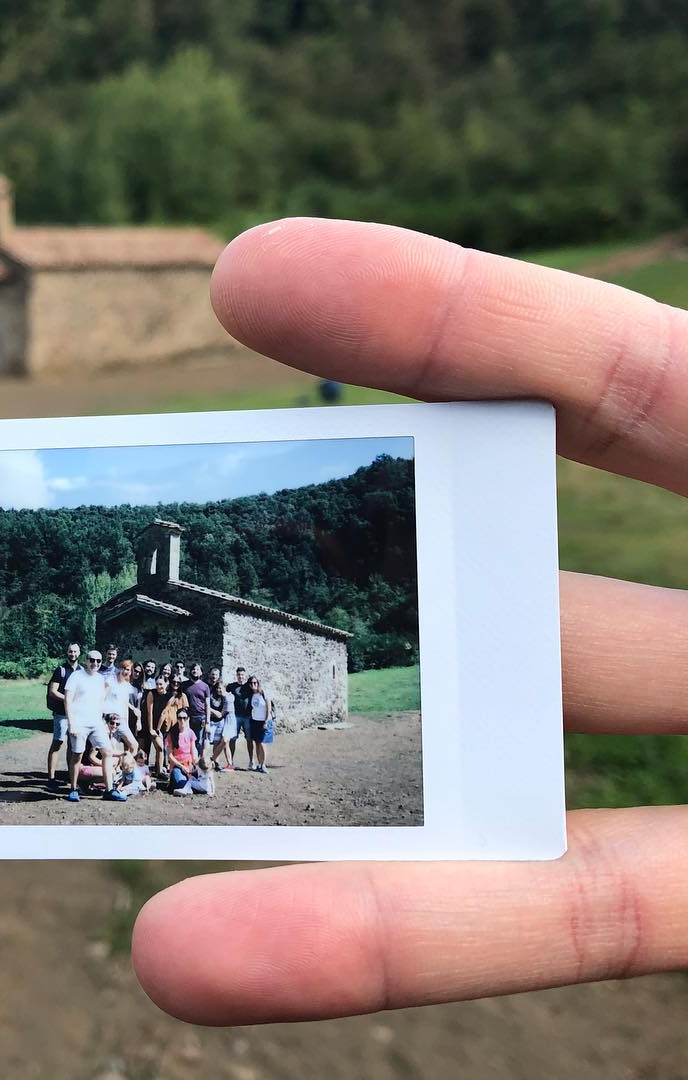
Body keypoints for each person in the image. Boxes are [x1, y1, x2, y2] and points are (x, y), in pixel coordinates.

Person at [130, 217, 688, 1026]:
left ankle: (231, 766)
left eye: (162, 549)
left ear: (166, 552)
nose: (158, 557)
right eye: (157, 548)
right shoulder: (132, 618)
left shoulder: (243, 633)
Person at [64, 650, 125, 802]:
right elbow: (67, 700)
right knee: (77, 755)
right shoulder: (76, 676)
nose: (95, 664)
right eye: (92, 660)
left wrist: (103, 722)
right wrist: (72, 724)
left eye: (98, 661)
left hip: (96, 723)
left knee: (107, 752)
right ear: (86, 660)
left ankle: (109, 790)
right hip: (79, 723)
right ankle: (73, 788)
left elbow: (100, 701)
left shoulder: (99, 679)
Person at [45, 643, 80, 787]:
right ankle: (51, 778)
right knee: (57, 743)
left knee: (73, 746)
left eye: (75, 651)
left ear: (79, 653)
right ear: (67, 652)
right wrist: (68, 699)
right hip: (61, 714)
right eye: (70, 651)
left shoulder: (82, 670)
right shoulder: (61, 670)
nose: (72, 654)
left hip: (76, 715)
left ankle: (69, 775)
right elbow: (52, 691)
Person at [103, 659, 139, 752]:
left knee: (134, 745)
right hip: (109, 719)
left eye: (128, 670)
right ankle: (111, 766)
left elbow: (125, 705)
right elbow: (102, 698)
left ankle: (125, 765)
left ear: (131, 672)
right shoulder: (110, 680)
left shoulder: (127, 686)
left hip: (121, 720)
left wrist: (126, 724)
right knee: (111, 747)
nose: (125, 671)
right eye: (123, 668)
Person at [207, 667, 235, 770]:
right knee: (218, 742)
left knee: (223, 742)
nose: (219, 690)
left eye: (221, 688)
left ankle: (216, 760)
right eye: (213, 674)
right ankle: (216, 762)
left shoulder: (227, 697)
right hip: (217, 720)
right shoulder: (209, 688)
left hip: (226, 721)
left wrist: (209, 709)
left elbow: (220, 714)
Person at [227, 666, 254, 769]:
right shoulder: (231, 687)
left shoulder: (249, 686)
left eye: (242, 675)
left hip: (248, 716)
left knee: (249, 739)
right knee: (233, 739)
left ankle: (251, 761)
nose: (240, 677)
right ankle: (231, 761)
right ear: (236, 675)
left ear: (245, 675)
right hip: (236, 716)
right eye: (239, 675)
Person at [183, 662, 211, 751]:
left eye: (197, 669)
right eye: (193, 669)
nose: (195, 671)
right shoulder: (184, 685)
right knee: (186, 739)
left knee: (198, 741)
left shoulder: (205, 686)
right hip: (187, 717)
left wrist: (207, 722)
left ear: (201, 672)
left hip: (200, 717)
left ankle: (197, 762)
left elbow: (207, 705)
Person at [247, 676, 272, 772]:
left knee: (262, 743)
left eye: (255, 683)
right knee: (257, 743)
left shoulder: (264, 693)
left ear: (258, 683)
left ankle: (263, 764)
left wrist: (266, 721)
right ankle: (259, 764)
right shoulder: (253, 695)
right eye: (252, 683)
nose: (254, 685)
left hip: (264, 721)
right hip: (255, 721)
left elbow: (268, 708)